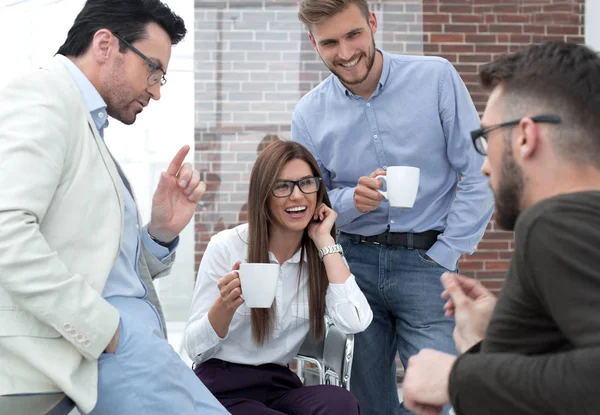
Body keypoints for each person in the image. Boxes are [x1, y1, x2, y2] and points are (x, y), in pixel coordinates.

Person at [0, 1, 227, 414]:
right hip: (103, 349)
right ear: (105, 44)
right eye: (153, 70)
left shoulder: (82, 118)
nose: (157, 91)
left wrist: (159, 233)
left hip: (129, 344)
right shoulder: (44, 97)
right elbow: (6, 232)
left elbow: (94, 258)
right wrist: (103, 329)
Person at [292, 1, 494, 413]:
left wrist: (446, 253)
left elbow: (479, 172)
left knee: (438, 399)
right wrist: (350, 202)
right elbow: (306, 202)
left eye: (353, 35)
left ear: (372, 22)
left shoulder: (435, 77)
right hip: (352, 268)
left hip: (428, 262)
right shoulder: (309, 113)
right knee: (364, 403)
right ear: (313, 43)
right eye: (330, 42)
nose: (346, 53)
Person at [402, 40, 600, 415]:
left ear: (525, 136)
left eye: (485, 137)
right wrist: (488, 339)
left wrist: (455, 377)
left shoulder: (553, 222)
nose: (484, 165)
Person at [184, 140, 374, 415]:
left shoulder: (322, 254)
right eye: (283, 186)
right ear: (264, 194)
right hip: (222, 386)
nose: (297, 196)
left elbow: (356, 322)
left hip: (279, 384)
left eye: (307, 183)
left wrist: (324, 242)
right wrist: (224, 307)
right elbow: (194, 349)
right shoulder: (226, 247)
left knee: (339, 403)